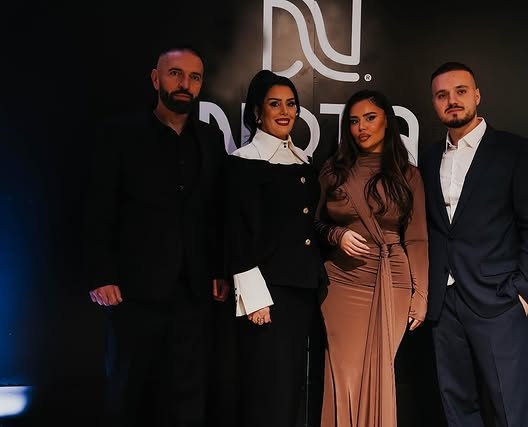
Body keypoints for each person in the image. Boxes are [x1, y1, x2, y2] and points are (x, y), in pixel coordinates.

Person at [84, 46, 228, 427]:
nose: (184, 84)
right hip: (133, 290)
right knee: (128, 392)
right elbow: (99, 208)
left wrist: (218, 269)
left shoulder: (210, 139)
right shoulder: (119, 135)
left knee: (188, 396)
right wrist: (101, 273)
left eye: (194, 77)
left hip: (193, 291)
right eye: (175, 74)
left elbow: (214, 211)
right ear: (155, 78)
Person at [418, 61, 528, 427]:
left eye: (460, 91)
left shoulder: (515, 151)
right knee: (457, 409)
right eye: (442, 95)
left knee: (511, 410)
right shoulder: (428, 159)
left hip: (499, 299)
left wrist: (525, 292)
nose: (452, 101)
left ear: (477, 95)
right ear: (434, 103)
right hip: (444, 303)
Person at [315, 89, 428, 427]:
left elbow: (417, 238)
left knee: (379, 372)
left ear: (387, 122)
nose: (361, 127)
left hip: (393, 283)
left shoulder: (408, 175)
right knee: (344, 376)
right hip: (341, 282)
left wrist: (421, 294)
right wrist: (337, 235)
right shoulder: (333, 171)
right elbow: (313, 224)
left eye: (369, 118)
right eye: (353, 121)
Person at [224, 69, 326, 427]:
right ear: (257, 112)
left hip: (303, 292)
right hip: (267, 295)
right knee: (266, 388)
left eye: (291, 104)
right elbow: (235, 232)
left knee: (291, 387)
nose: (285, 112)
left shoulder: (304, 161)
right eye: (274, 104)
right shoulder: (242, 161)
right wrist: (254, 298)